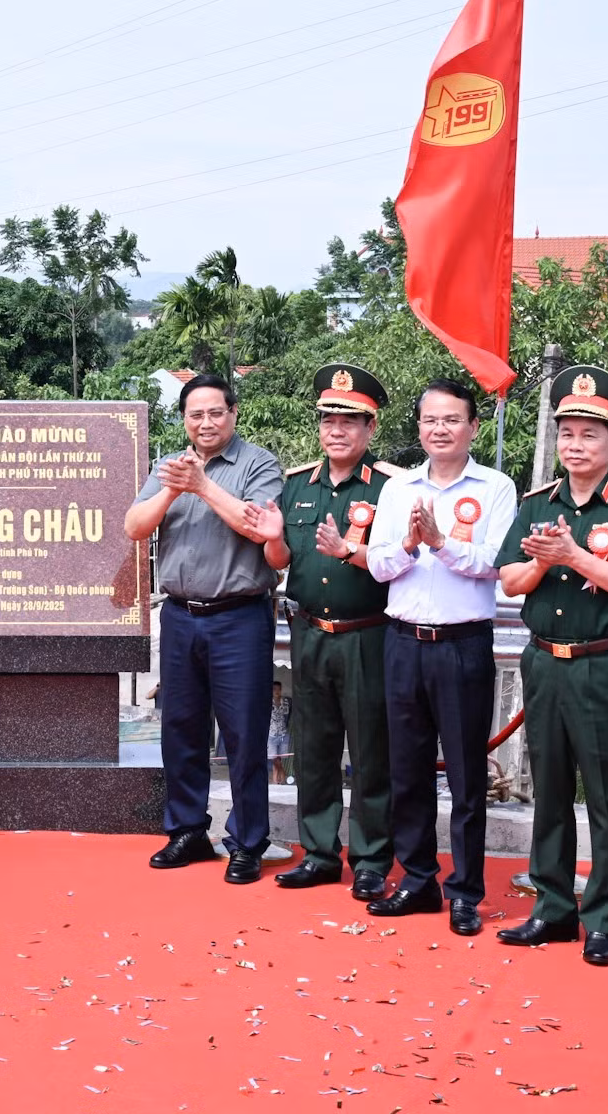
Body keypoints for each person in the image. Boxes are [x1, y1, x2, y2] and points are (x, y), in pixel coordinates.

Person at [494, 365, 608, 967]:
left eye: (589, 435)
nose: (575, 445)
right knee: (548, 791)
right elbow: (511, 580)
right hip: (544, 660)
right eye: (566, 434)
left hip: (603, 663)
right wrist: (546, 562)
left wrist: (573, 555)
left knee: (605, 796)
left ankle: (603, 919)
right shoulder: (536, 504)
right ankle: (552, 908)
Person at [365, 377, 516, 935]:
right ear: (419, 427)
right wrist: (409, 545)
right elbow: (377, 565)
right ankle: (418, 880)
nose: (440, 429)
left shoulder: (496, 487)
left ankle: (466, 892)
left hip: (462, 645)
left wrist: (439, 542)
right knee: (406, 771)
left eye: (452, 420)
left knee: (467, 776)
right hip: (403, 642)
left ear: (473, 427)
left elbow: (496, 563)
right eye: (430, 420)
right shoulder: (397, 488)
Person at [125, 372, 283, 884]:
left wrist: (203, 486)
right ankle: (187, 830)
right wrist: (172, 490)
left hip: (239, 617)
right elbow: (134, 526)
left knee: (244, 735)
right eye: (196, 414)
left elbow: (257, 527)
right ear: (184, 420)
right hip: (180, 616)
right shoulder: (171, 465)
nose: (206, 422)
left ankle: (247, 841)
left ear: (233, 413)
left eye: (216, 412)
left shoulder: (258, 464)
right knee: (181, 729)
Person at [250, 363, 400, 898]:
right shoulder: (296, 485)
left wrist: (349, 550)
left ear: (370, 427)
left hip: (368, 635)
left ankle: (371, 859)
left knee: (371, 751)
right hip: (309, 632)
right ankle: (318, 853)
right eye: (328, 421)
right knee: (313, 748)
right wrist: (272, 538)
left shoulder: (392, 489)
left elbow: (398, 561)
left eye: (349, 421)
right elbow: (280, 560)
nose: (336, 431)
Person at [267, 682, 291, 786]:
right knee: (274, 758)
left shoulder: (286, 702)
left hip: (283, 733)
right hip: (271, 734)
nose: (277, 691)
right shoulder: (267, 702)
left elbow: (288, 716)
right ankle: (283, 776)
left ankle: (277, 780)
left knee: (279, 758)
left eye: (278, 689)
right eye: (274, 689)